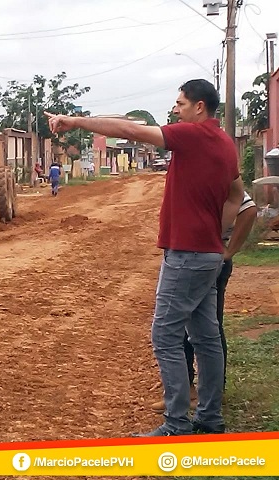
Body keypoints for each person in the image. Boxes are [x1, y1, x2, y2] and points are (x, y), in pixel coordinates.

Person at [46, 79, 244, 436]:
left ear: (200, 107)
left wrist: (76, 121)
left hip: (186, 254)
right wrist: (216, 229)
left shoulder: (192, 136)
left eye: (181, 103)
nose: (176, 109)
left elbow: (128, 129)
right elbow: (237, 195)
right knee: (206, 338)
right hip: (209, 253)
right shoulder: (227, 145)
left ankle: (176, 423)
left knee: (165, 336)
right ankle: (210, 418)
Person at [150, 191, 256, 413]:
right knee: (204, 331)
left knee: (190, 331)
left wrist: (229, 250)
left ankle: (192, 398)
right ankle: (201, 394)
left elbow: (248, 208)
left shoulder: (217, 176)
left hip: (203, 258)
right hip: (207, 257)